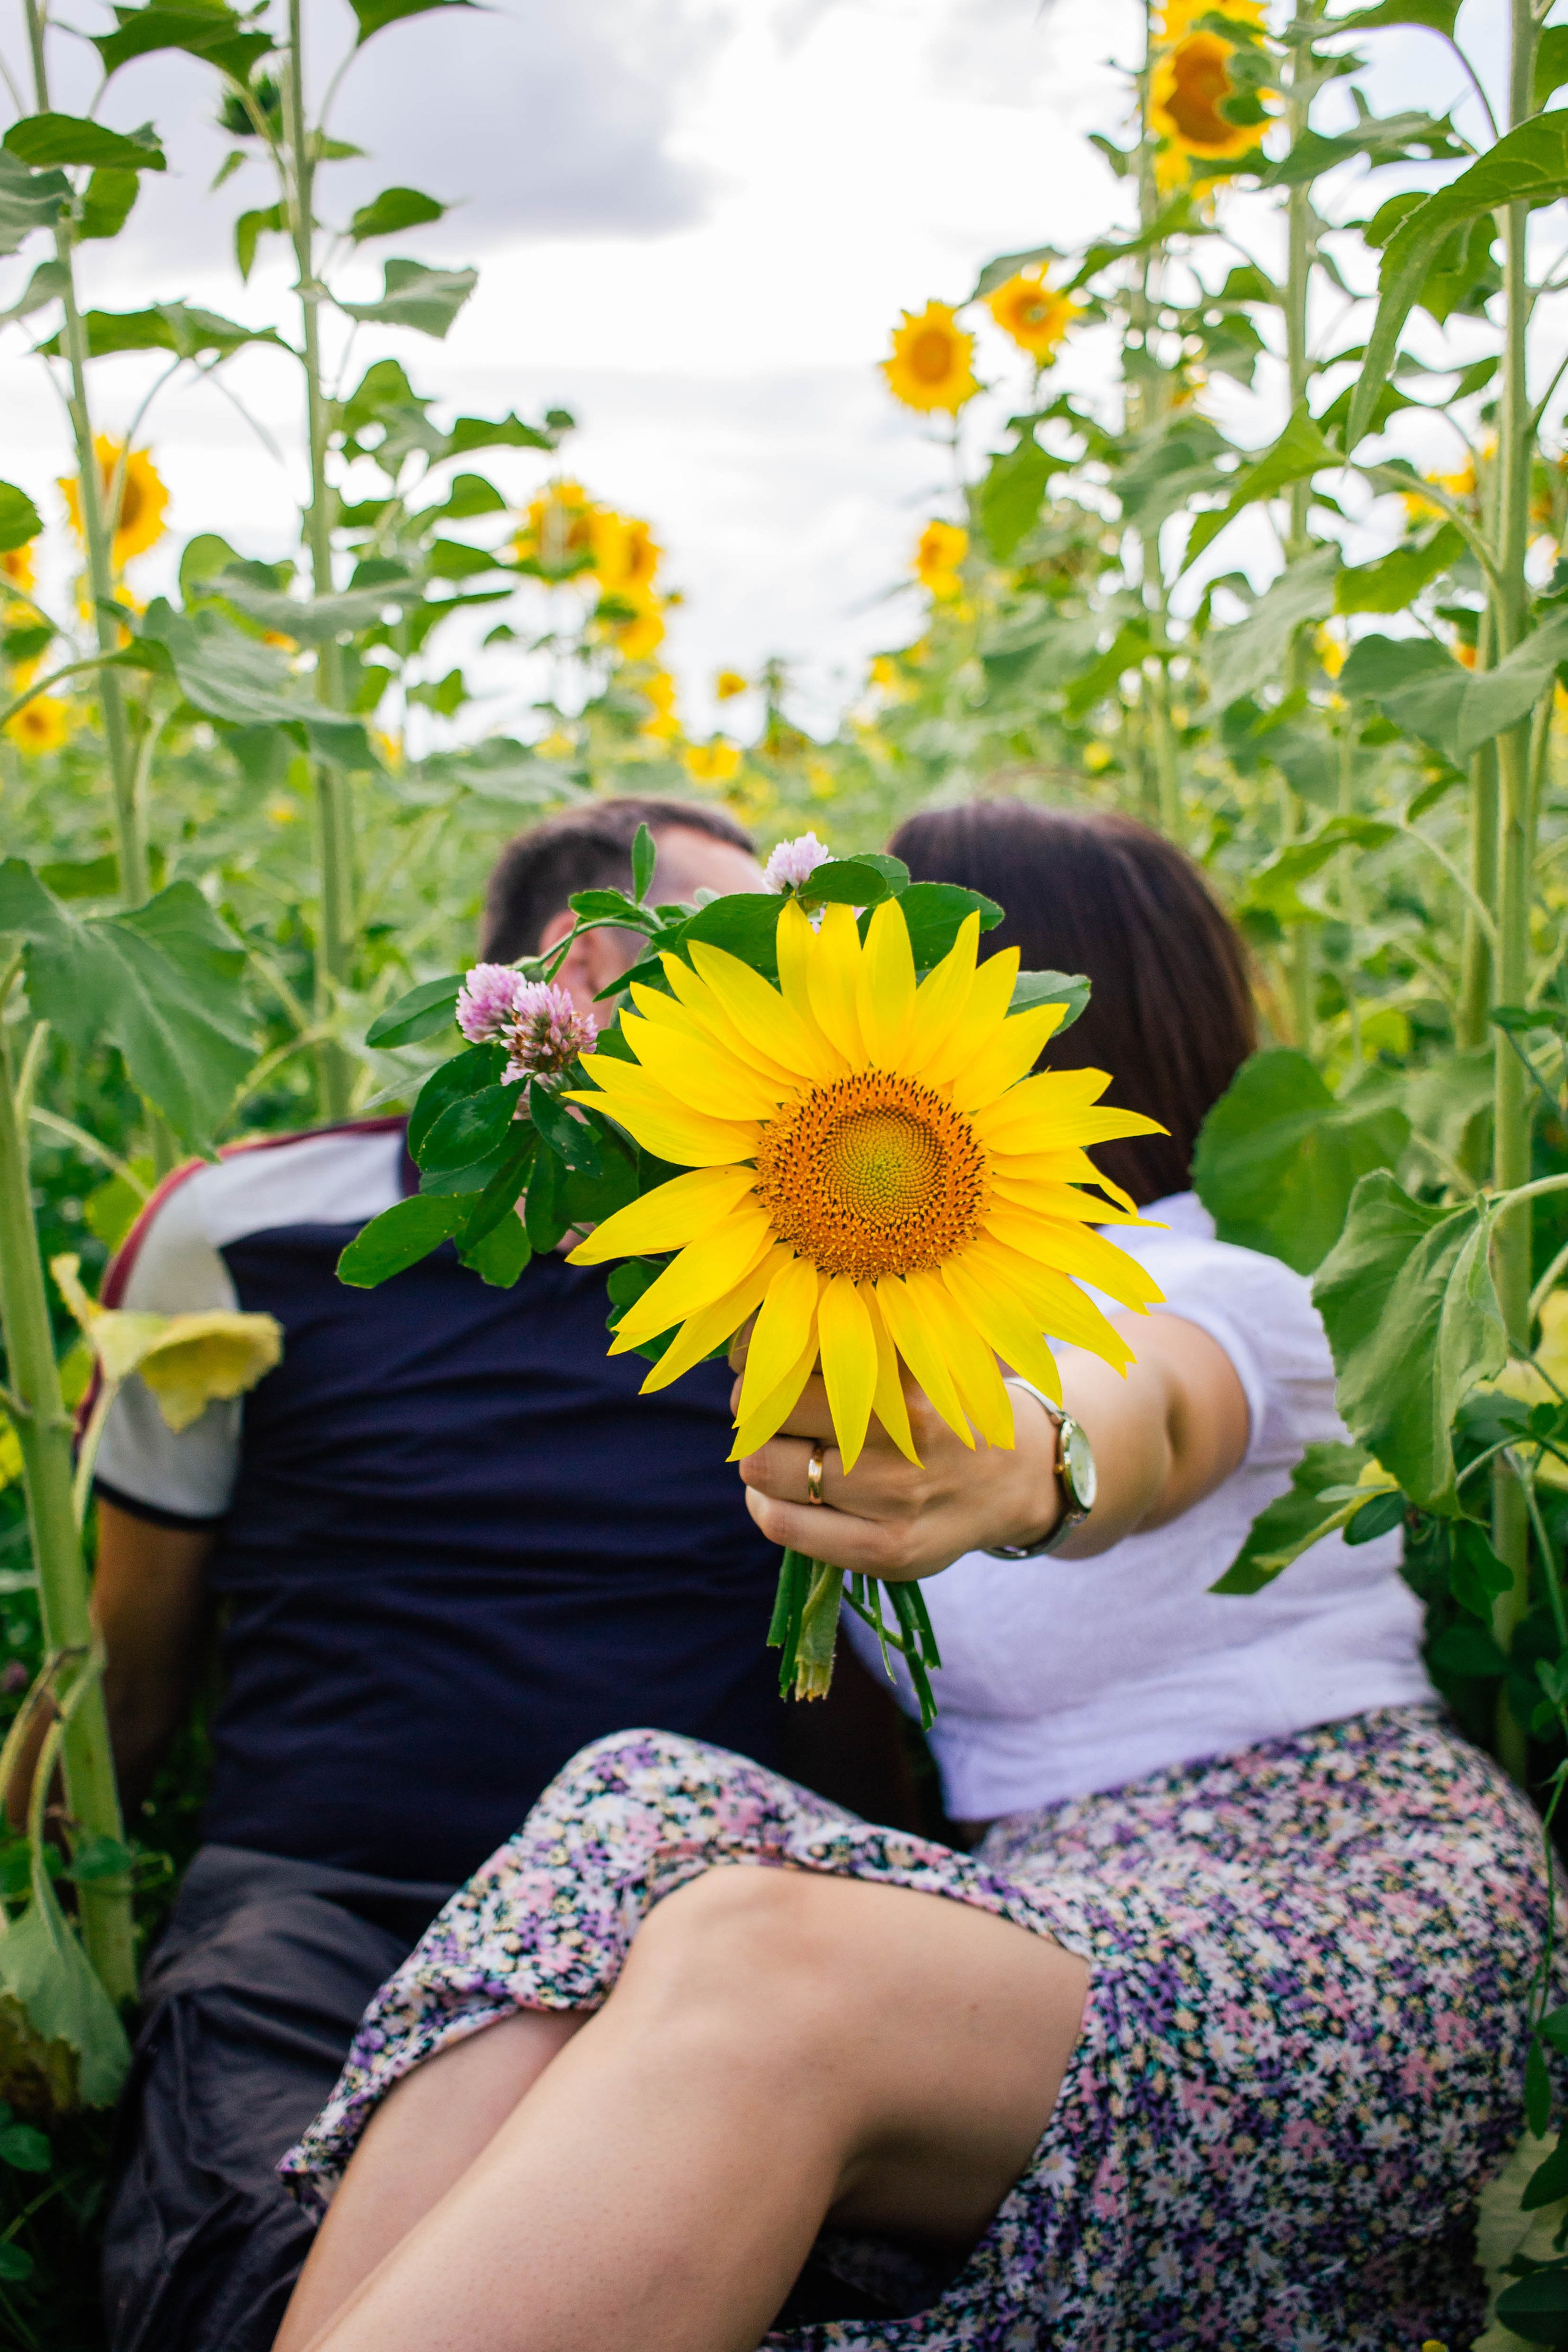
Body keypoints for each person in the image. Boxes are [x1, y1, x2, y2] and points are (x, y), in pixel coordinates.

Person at [271, 801, 1547, 2352]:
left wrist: (1031, 1472)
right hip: (1062, 1912)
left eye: (856, 968)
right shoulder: (864, 1281)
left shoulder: (1225, 1283)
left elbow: (1134, 1412)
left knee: (761, 1960)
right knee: (637, 1805)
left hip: (1338, 1904)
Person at [92, 795, 918, 2352]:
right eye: (742, 962)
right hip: (326, 1907)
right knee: (261, 2276)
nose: (793, 1015)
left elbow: (838, 1664)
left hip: (678, 1934)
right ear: (575, 972)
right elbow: (132, 1667)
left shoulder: (794, 1244)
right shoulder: (248, 1225)